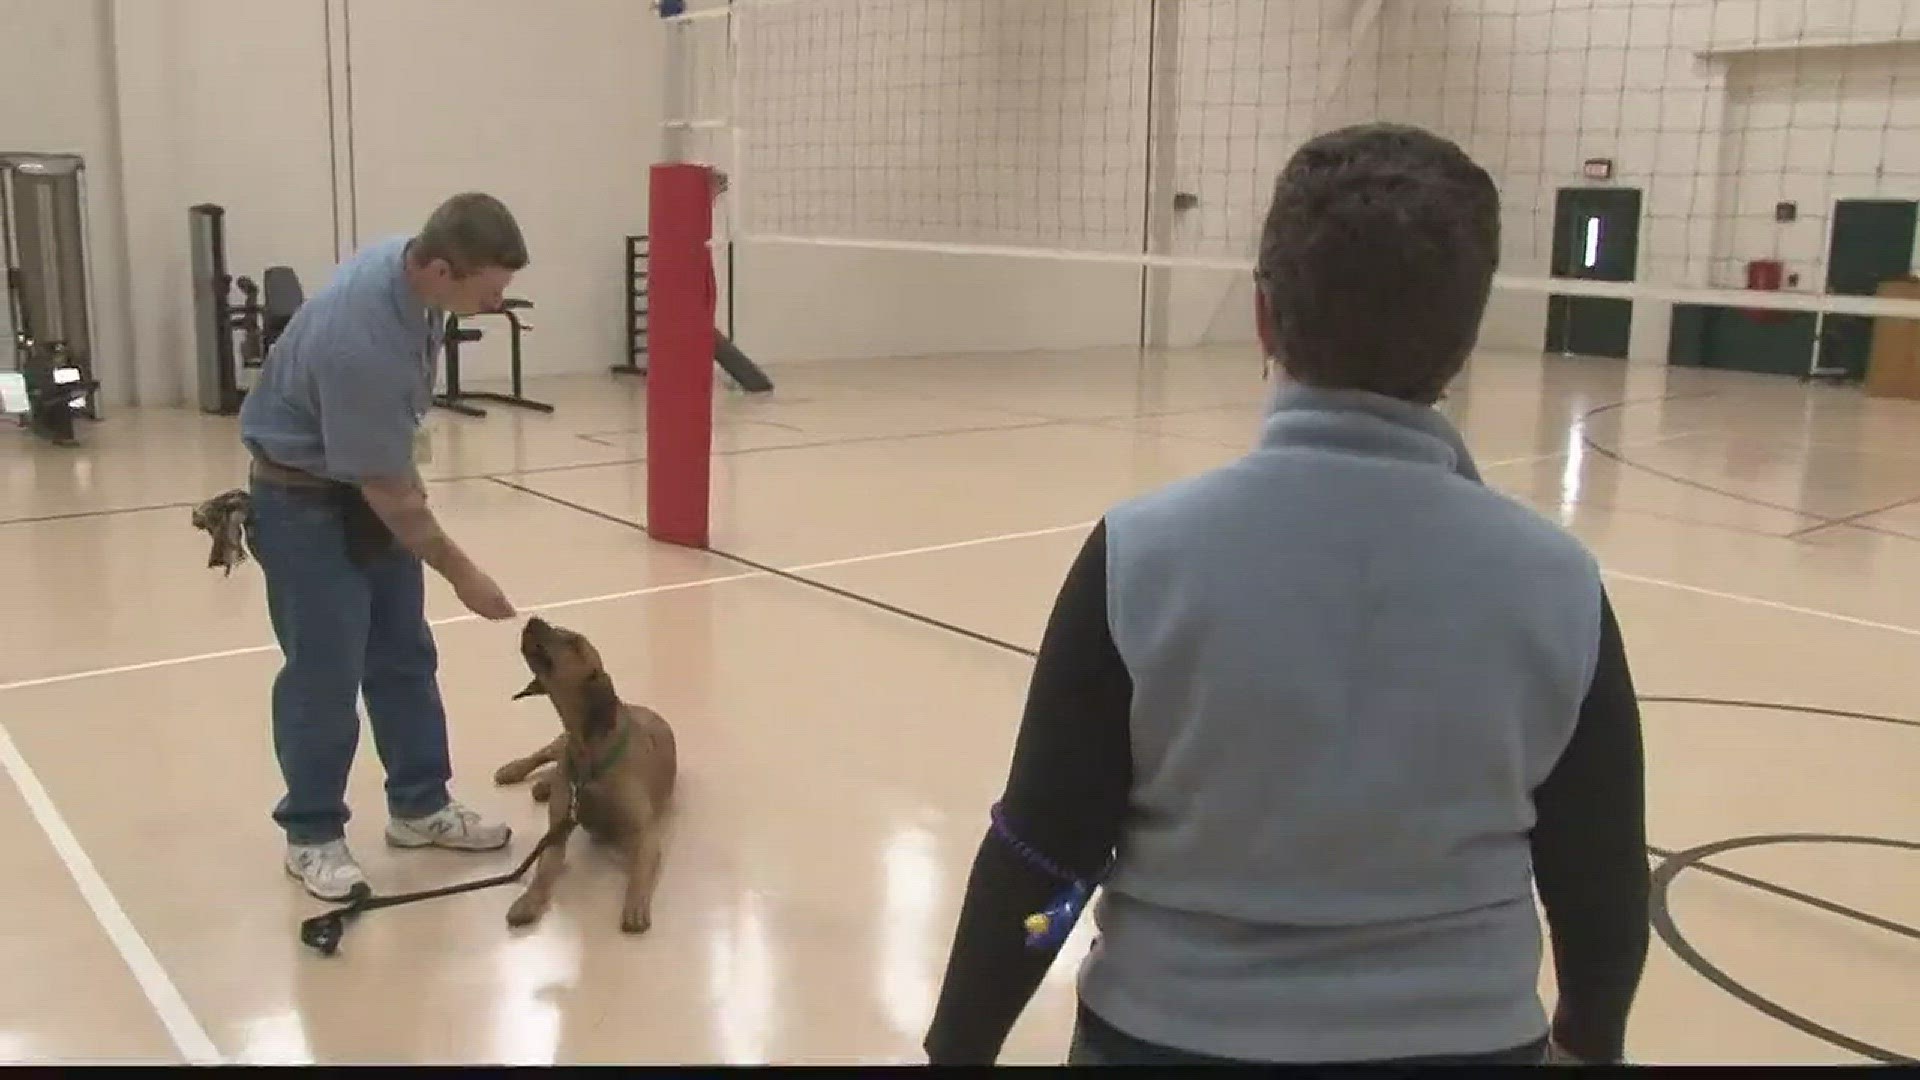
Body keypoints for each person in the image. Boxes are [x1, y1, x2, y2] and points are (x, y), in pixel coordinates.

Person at [922, 124, 1650, 1066]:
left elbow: (1046, 861)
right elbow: (1598, 885)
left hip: (1167, 1042)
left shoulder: (1143, 557)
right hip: (1469, 1045)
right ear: (1465, 342)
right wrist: (1590, 1041)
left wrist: (960, 1049)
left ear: (1264, 318)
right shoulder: (1558, 585)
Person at [239, 193, 527, 901]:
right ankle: (311, 836)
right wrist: (466, 575)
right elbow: (391, 495)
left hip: (355, 477)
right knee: (325, 674)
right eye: (488, 292)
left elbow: (385, 473)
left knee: (402, 652)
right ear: (437, 269)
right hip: (302, 499)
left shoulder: (413, 267)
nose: (494, 305)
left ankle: (420, 805)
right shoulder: (360, 343)